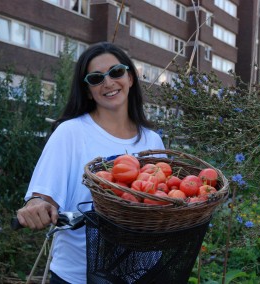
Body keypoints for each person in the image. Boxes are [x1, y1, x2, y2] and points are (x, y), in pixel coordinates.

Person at [16, 41, 166, 283]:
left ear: (130, 77)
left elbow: (162, 198)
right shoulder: (71, 132)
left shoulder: (152, 140)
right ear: (87, 90)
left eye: (116, 72)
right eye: (96, 78)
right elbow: (43, 195)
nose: (108, 83)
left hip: (141, 274)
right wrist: (36, 205)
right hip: (77, 275)